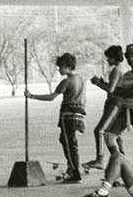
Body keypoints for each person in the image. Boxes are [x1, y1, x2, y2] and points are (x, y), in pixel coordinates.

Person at [25, 53, 87, 183]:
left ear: (68, 66)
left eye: (61, 67)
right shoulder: (81, 79)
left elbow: (51, 97)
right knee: (68, 141)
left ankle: (75, 173)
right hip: (79, 113)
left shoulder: (67, 81)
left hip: (68, 115)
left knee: (69, 143)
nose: (59, 69)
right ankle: (72, 168)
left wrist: (32, 96)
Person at [101, 43, 133, 169]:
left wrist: (127, 92)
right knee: (109, 136)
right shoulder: (127, 75)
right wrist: (130, 92)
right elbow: (116, 92)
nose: (131, 59)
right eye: (128, 57)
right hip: (126, 109)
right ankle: (120, 164)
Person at [85, 45, 127, 170]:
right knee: (116, 134)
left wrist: (97, 83)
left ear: (113, 58)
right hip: (119, 102)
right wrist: (103, 82)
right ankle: (121, 160)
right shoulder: (122, 68)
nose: (107, 60)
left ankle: (100, 159)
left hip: (115, 103)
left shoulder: (116, 70)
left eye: (109, 58)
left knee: (100, 131)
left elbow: (111, 90)